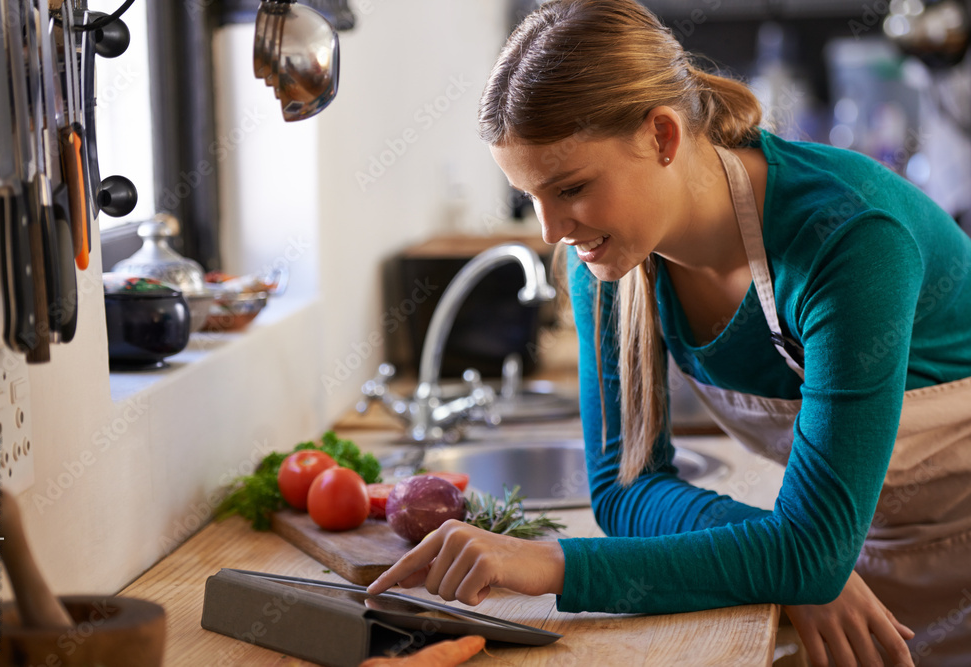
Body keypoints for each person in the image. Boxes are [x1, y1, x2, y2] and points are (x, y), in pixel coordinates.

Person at [368, 1, 971, 664]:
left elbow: (810, 551)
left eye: (569, 186)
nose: (550, 231)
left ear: (662, 136)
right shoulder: (606, 261)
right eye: (529, 195)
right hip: (855, 556)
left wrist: (550, 564)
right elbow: (625, 490)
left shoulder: (850, 242)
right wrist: (791, 556)